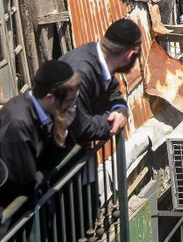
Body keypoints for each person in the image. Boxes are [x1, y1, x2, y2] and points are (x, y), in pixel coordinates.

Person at [0, 59, 81, 207]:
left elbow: (46, 161)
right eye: (70, 100)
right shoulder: (18, 124)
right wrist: (47, 173)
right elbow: (27, 182)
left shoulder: (43, 110)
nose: (73, 106)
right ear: (50, 98)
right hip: (7, 211)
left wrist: (62, 129)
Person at [59, 18, 141, 146]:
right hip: (49, 157)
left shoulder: (99, 59)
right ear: (130, 55)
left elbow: (113, 93)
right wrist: (111, 122)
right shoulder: (80, 75)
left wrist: (120, 109)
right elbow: (82, 128)